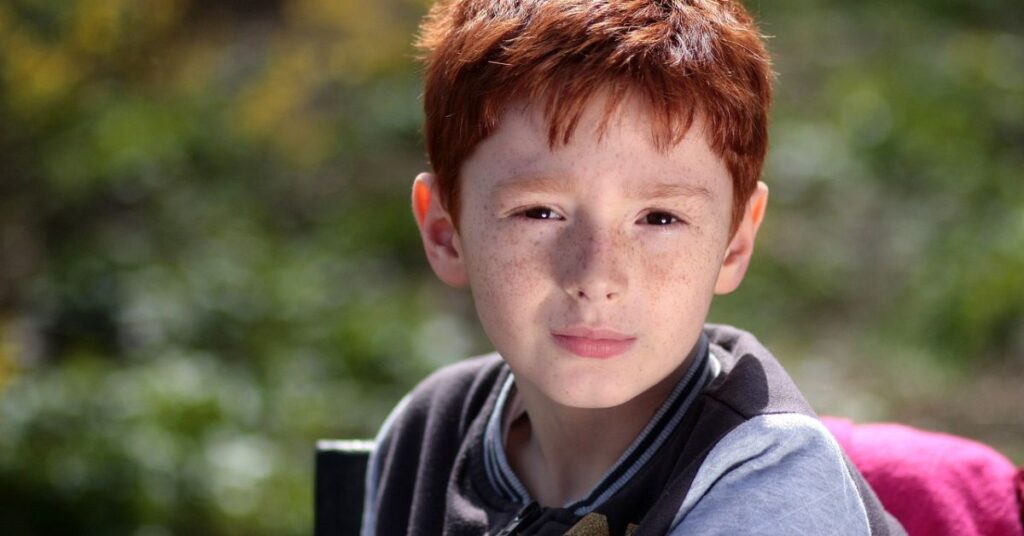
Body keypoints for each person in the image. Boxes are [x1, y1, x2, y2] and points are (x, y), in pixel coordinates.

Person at [360, 0, 907, 534]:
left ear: (735, 243)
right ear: (445, 232)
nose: (597, 279)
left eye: (661, 218)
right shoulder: (428, 434)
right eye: (540, 212)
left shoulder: (764, 482)